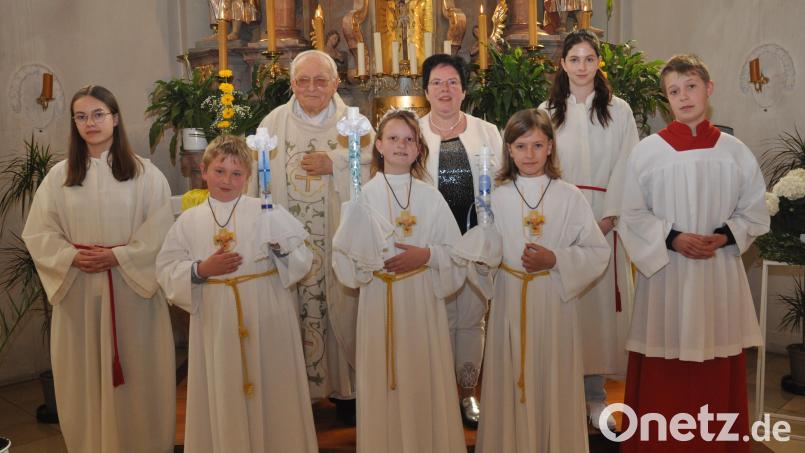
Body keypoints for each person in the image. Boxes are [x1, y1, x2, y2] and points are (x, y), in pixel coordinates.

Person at [618, 55, 770, 452]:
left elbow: (754, 210)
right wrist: (671, 238)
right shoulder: (648, 152)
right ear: (665, 98)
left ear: (708, 88)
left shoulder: (735, 152)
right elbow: (631, 213)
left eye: (690, 86)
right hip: (667, 274)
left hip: (717, 273)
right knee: (664, 368)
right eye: (673, 91)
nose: (683, 96)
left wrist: (724, 236)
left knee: (717, 365)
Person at [22, 85, 176, 453]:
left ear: (115, 119)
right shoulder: (59, 177)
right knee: (83, 380)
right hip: (78, 293)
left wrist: (119, 256)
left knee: (139, 381)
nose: (90, 123)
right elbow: (39, 232)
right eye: (81, 116)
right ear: (74, 124)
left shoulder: (145, 175)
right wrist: (70, 257)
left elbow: (162, 233)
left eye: (98, 114)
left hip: (132, 294)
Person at [157, 135, 318, 453]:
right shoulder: (189, 221)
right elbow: (166, 269)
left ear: (248, 177)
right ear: (204, 171)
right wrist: (202, 269)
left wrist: (280, 247)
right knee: (224, 392)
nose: (227, 180)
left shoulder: (267, 211)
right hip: (218, 320)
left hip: (267, 314)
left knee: (273, 391)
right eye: (219, 171)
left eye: (236, 173)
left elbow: (303, 259)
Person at [468, 108, 610, 453]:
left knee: (552, 380)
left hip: (553, 304)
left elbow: (597, 251)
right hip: (509, 301)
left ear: (550, 147)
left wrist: (556, 259)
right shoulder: (495, 198)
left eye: (536, 145)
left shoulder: (569, 196)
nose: (528, 154)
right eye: (520, 146)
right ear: (508, 150)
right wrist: (483, 260)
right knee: (510, 380)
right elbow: (483, 257)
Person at [332, 109, 467, 453]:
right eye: (393, 138)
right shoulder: (362, 199)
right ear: (378, 145)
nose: (401, 145)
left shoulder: (431, 197)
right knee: (384, 383)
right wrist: (366, 261)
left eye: (409, 139)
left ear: (419, 149)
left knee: (423, 382)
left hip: (422, 304)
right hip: (380, 302)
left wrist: (427, 256)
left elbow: (457, 253)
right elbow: (344, 263)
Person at [253, 49, 373, 423]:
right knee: (292, 310)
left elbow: (376, 172)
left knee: (344, 305)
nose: (311, 88)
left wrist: (335, 164)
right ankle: (297, 392)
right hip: (291, 243)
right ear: (292, 84)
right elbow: (256, 182)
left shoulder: (356, 126)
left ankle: (347, 392)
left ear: (337, 83)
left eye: (321, 80)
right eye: (303, 80)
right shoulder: (271, 125)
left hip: (338, 238)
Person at [540, 29, 639, 431]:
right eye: (574, 59)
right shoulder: (546, 110)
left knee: (597, 313)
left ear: (599, 62)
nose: (582, 66)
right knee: (564, 308)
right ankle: (562, 401)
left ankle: (596, 400)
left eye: (589, 58)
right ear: (562, 64)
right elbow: (536, 163)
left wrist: (609, 216)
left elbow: (628, 165)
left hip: (603, 216)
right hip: (559, 220)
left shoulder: (620, 110)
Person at [419, 53, 503, 428]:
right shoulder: (413, 132)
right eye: (437, 82)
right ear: (425, 91)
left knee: (471, 318)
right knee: (435, 318)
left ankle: (467, 393)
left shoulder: (486, 132)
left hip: (475, 238)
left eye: (452, 82)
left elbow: (501, 184)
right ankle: (436, 393)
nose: (445, 89)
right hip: (432, 243)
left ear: (464, 89)